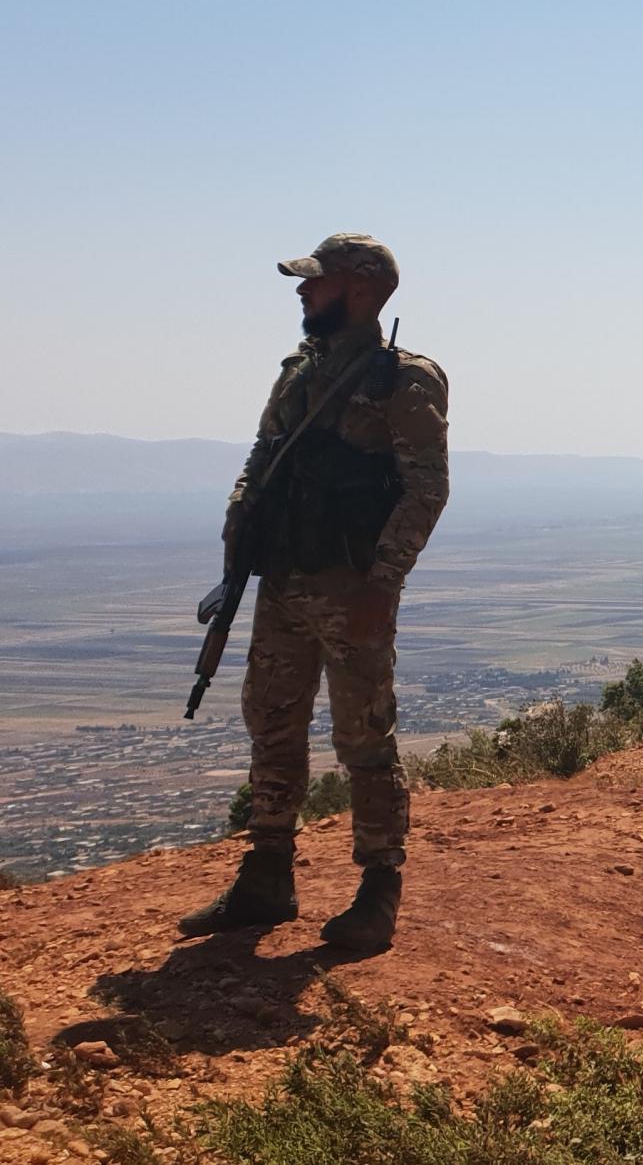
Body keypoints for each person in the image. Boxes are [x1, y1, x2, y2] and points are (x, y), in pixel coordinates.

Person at [179, 234, 450, 950]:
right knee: (271, 723)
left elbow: (426, 491)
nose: (303, 292)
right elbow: (262, 454)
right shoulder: (301, 369)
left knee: (363, 734)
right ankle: (268, 875)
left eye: (315, 282)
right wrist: (239, 520)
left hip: (350, 584)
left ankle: (378, 890)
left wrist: (383, 583)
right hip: (283, 577)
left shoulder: (405, 380)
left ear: (359, 291)